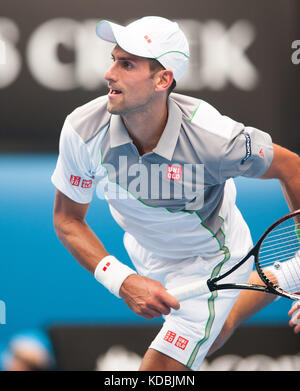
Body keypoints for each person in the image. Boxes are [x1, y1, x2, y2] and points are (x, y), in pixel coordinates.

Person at [51, 16, 300, 371]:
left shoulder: (215, 139)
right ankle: (288, 274)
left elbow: (291, 167)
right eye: (113, 59)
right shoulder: (82, 130)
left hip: (213, 256)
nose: (109, 73)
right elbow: (67, 219)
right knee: (218, 327)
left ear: (163, 80)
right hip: (144, 252)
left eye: (127, 64)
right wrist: (122, 281)